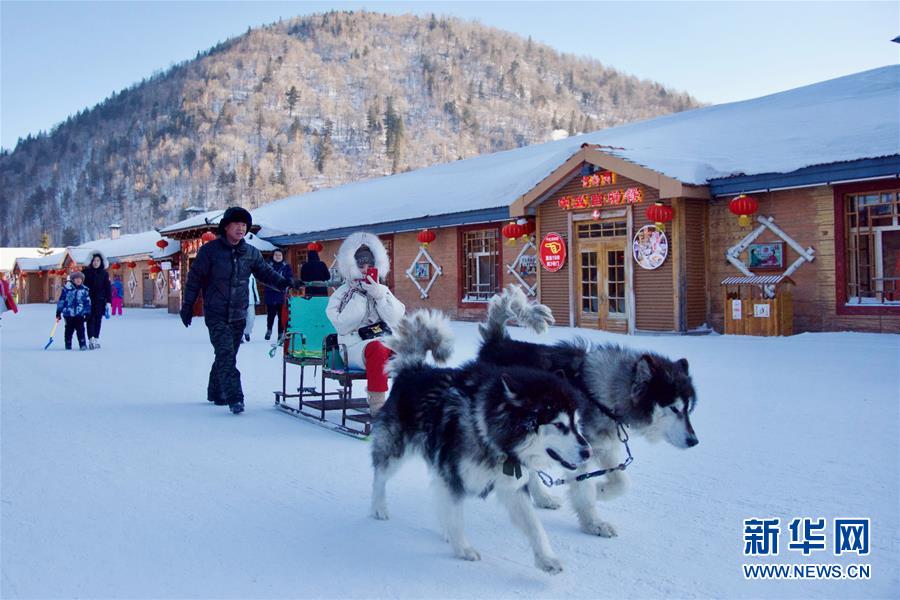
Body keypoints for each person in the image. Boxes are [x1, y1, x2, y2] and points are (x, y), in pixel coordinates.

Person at [180, 206, 298, 415]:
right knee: (225, 354)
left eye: (244, 225)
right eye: (236, 224)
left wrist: (286, 284)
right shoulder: (210, 251)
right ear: (226, 227)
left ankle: (215, 391)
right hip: (216, 313)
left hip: (238, 313)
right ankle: (235, 397)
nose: (240, 229)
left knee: (227, 355)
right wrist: (188, 305)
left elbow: (265, 273)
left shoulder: (250, 253)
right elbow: (194, 279)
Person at [326, 232, 405, 414]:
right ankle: (378, 406)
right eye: (361, 265)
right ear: (352, 266)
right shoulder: (342, 293)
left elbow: (396, 318)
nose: (365, 269)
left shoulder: (380, 289)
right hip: (353, 347)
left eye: (370, 265)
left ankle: (408, 404)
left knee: (411, 351)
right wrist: (360, 297)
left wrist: (379, 295)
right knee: (377, 350)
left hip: (383, 340)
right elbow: (342, 324)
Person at [56, 271, 92, 350]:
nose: (78, 280)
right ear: (72, 280)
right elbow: (61, 301)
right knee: (69, 330)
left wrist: (88, 312)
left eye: (80, 279)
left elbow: (87, 302)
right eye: (76, 278)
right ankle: (68, 344)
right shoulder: (67, 289)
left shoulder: (84, 290)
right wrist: (58, 312)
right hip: (69, 314)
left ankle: (82, 344)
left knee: (81, 330)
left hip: (80, 314)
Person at [263, 249, 293, 341]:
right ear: (273, 256)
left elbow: (289, 277)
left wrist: (289, 282)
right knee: (271, 314)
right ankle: (269, 329)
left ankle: (280, 333)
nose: (278, 257)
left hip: (281, 294)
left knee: (281, 315)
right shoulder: (268, 265)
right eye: (276, 255)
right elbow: (264, 277)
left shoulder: (286, 266)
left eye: (280, 255)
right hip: (270, 292)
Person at [83, 252, 111, 349]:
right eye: (94, 260)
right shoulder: (85, 272)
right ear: (91, 261)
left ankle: (96, 338)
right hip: (88, 300)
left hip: (100, 300)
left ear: (101, 262)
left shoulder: (104, 273)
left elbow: (108, 287)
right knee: (90, 319)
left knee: (98, 320)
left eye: (98, 261)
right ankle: (91, 339)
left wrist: (108, 302)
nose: (96, 262)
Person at [243, 273, 259, 342]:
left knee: (251, 319)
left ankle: (246, 332)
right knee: (240, 320)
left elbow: (254, 288)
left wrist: (257, 298)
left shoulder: (251, 276)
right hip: (239, 301)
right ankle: (240, 336)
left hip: (250, 300)